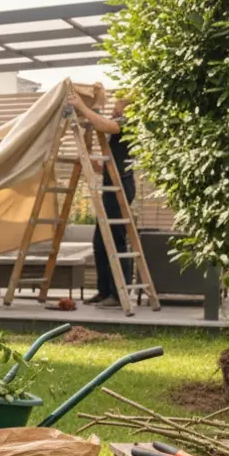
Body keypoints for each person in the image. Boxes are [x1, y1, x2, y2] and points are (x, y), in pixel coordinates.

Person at [67, 88, 136, 308]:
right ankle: (103, 290)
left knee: (115, 240)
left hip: (121, 186)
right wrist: (97, 167)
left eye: (118, 104)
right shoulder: (119, 121)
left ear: (128, 106)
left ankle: (117, 294)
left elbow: (105, 125)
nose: (115, 108)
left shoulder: (130, 122)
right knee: (100, 241)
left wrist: (82, 107)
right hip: (111, 183)